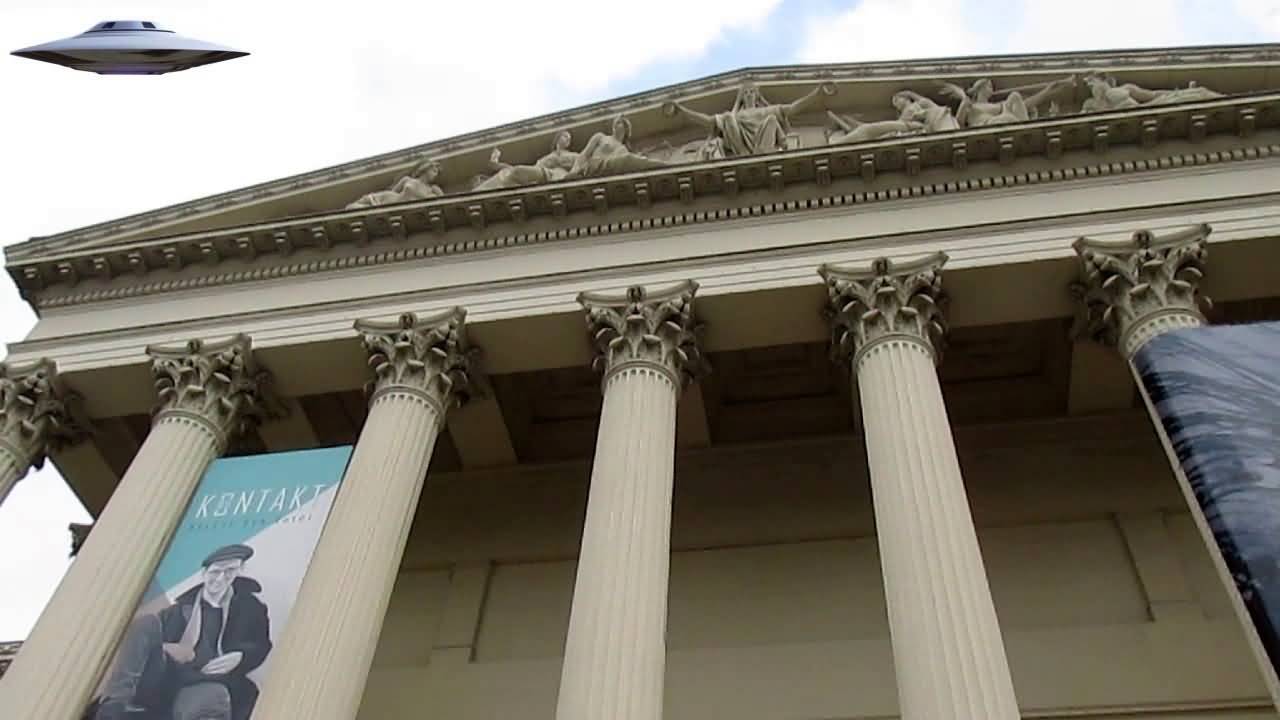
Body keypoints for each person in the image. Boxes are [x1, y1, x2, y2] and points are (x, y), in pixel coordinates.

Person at [90, 544, 271, 720]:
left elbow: (261, 645)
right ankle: (114, 703)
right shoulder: (177, 610)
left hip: (206, 681)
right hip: (165, 677)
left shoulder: (251, 608)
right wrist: (170, 648)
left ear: (239, 571)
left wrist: (241, 656)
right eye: (215, 572)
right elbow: (144, 646)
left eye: (229, 571)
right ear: (204, 573)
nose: (221, 578)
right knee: (147, 622)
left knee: (211, 700)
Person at [664, 80, 836, 156]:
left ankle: (763, 153)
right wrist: (683, 111)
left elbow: (793, 109)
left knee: (771, 120)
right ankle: (744, 153)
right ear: (741, 97)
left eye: (752, 92)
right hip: (740, 148)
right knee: (728, 119)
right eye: (745, 93)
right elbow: (708, 121)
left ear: (757, 95)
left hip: (763, 147)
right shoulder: (733, 116)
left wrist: (817, 94)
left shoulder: (768, 111)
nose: (749, 95)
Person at [940, 76, 1073, 127]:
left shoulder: (999, 106)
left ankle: (1026, 130)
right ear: (980, 88)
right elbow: (958, 123)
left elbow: (1026, 105)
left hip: (1006, 121)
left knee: (1015, 95)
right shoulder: (971, 106)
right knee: (1008, 115)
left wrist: (1047, 90)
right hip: (986, 127)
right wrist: (964, 103)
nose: (992, 89)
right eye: (990, 86)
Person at [566, 115, 668, 179]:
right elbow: (584, 155)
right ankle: (663, 166)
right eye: (615, 123)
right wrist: (573, 172)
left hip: (610, 171)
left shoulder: (623, 149)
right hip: (595, 168)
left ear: (625, 129)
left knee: (631, 159)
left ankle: (661, 166)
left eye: (619, 122)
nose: (615, 125)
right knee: (629, 159)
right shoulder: (601, 137)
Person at [474, 130, 579, 191]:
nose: (568, 139)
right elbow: (528, 169)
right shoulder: (545, 159)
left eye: (569, 138)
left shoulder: (573, 155)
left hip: (558, 176)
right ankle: (480, 192)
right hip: (542, 174)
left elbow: (582, 163)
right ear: (558, 138)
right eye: (565, 136)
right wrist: (498, 164)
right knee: (514, 171)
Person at [1081, 72, 1222, 112]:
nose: (1090, 86)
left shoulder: (1125, 88)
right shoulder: (1090, 104)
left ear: (1103, 80)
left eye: (1091, 82)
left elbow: (1152, 95)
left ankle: (1222, 100)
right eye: (1088, 85)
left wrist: (1177, 93)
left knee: (1200, 93)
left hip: (1145, 111)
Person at [346, 158, 444, 208]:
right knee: (352, 207)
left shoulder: (433, 189)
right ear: (425, 169)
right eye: (434, 171)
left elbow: (442, 201)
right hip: (390, 201)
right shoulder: (407, 180)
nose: (435, 175)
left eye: (437, 173)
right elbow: (393, 192)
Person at [825, 110, 925, 145]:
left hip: (865, 132)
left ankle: (833, 139)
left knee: (861, 129)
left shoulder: (904, 124)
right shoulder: (902, 125)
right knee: (861, 129)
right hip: (866, 132)